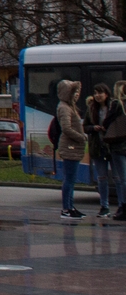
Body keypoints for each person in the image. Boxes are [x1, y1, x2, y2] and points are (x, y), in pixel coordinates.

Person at [85, 83, 119, 217]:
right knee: (102, 178)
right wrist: (93, 128)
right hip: (98, 147)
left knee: (118, 178)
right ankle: (104, 206)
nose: (98, 95)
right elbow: (85, 126)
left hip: (114, 146)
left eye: (100, 92)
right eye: (95, 93)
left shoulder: (114, 107)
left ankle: (122, 205)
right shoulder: (91, 108)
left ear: (107, 93)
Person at [55, 80, 88, 220]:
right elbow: (66, 128)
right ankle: (66, 209)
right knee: (69, 179)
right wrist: (81, 137)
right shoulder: (64, 107)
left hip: (73, 147)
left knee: (71, 179)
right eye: (74, 92)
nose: (76, 95)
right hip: (70, 147)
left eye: (78, 93)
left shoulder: (69, 106)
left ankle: (70, 206)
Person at [110, 82, 126, 221]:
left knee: (123, 179)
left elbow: (107, 122)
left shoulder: (116, 104)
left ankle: (123, 207)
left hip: (119, 146)